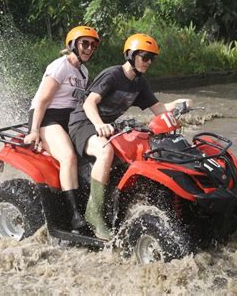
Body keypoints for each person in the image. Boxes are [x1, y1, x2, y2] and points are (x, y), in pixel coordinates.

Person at [69, 33, 191, 240]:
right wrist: (99, 125)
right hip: (84, 123)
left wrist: (180, 104)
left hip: (107, 127)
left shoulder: (139, 83)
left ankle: (119, 205)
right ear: (131, 55)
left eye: (152, 58)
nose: (149, 62)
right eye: (145, 57)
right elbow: (89, 103)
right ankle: (94, 213)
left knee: (141, 150)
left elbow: (159, 109)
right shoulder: (113, 75)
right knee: (106, 151)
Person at [24, 26, 100, 231]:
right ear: (73, 45)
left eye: (93, 45)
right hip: (47, 117)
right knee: (68, 156)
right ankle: (74, 215)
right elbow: (42, 101)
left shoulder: (83, 71)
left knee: (92, 151)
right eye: (85, 43)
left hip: (69, 119)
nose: (89, 48)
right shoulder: (60, 66)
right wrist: (34, 130)